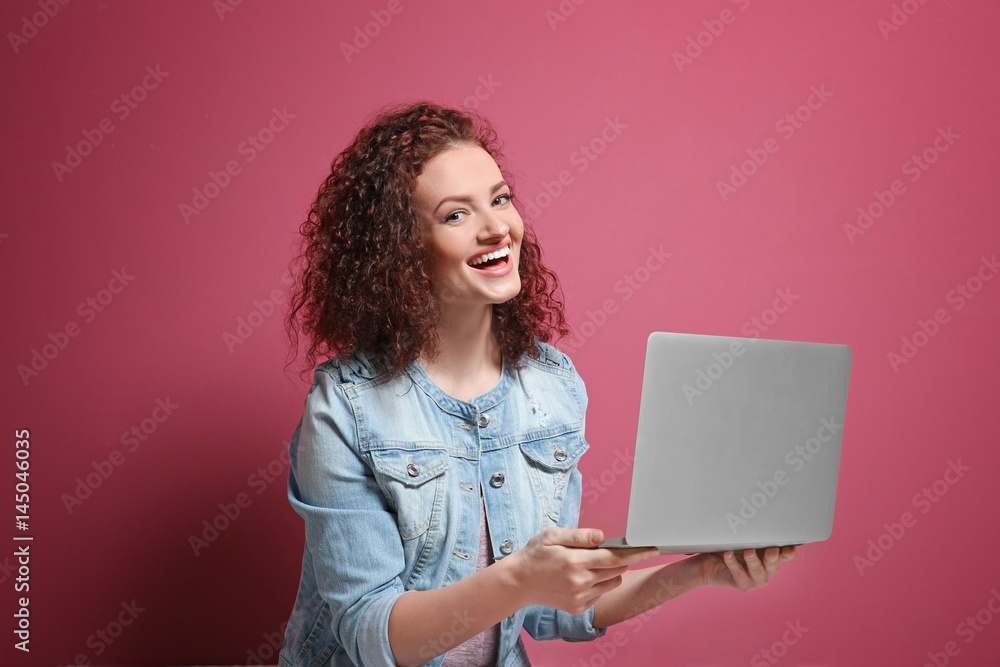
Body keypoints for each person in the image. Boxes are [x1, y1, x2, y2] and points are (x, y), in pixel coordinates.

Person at [278, 101, 797, 667]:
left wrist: (699, 570)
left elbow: (555, 612)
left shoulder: (551, 386)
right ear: (401, 252)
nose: (497, 226)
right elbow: (372, 636)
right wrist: (521, 578)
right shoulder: (347, 407)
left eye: (499, 199)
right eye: (456, 215)